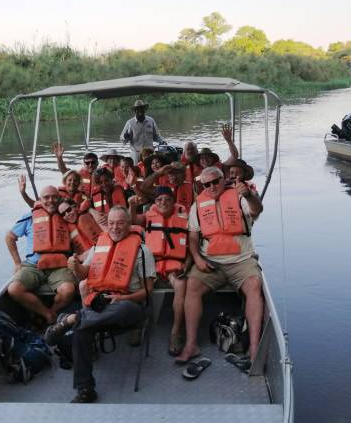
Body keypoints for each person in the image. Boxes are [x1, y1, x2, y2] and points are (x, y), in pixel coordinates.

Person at [44, 206, 156, 403]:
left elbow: (147, 292)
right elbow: (84, 273)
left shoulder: (142, 251)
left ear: (129, 225)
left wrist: (123, 298)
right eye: (111, 223)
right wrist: (76, 266)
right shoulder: (98, 246)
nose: (115, 227)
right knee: (81, 330)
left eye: (120, 223)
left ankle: (70, 320)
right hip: (98, 306)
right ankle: (85, 389)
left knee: (117, 310)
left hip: (128, 307)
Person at [175, 167, 264, 368]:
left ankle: (254, 348)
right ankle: (191, 345)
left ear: (223, 179)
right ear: (202, 186)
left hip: (241, 260)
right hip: (211, 261)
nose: (212, 187)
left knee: (254, 286)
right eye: (207, 184)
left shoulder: (241, 195)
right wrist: (197, 258)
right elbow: (192, 238)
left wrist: (249, 195)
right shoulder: (197, 205)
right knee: (192, 287)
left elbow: (257, 209)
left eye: (216, 181)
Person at [129, 187, 189, 356]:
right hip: (152, 263)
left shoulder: (185, 216)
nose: (163, 202)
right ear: (154, 202)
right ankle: (138, 325)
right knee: (138, 285)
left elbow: (191, 243)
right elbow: (132, 219)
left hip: (174, 264)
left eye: (167, 199)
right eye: (159, 199)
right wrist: (132, 206)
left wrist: (187, 265)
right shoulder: (148, 215)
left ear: (173, 200)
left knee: (181, 284)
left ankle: (176, 332)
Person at [6, 186, 77, 324]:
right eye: (46, 197)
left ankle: (51, 311)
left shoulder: (65, 215)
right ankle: (48, 315)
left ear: (59, 198)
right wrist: (17, 263)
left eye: (54, 197)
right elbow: (9, 237)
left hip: (59, 266)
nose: (51, 200)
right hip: (33, 265)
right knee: (13, 289)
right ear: (40, 200)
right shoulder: (30, 216)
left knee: (68, 291)